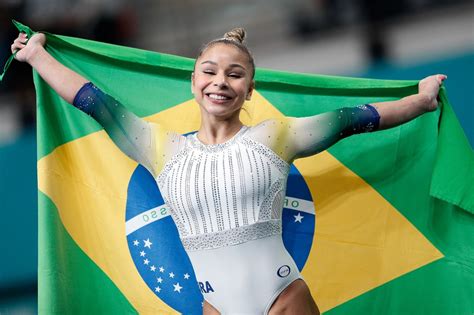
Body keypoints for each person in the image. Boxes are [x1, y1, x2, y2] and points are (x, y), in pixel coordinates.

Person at [11, 28, 446, 315]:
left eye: (235, 75)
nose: (221, 81)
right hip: (215, 308)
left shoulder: (276, 137)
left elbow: (355, 118)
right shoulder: (160, 147)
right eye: (210, 71)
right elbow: (93, 102)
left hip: (285, 300)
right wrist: (36, 57)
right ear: (194, 81)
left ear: (249, 89)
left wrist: (421, 101)